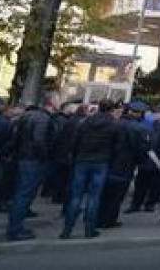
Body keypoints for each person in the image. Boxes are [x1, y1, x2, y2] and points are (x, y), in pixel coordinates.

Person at [60, 99, 121, 239]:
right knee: (94, 197)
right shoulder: (113, 125)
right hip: (101, 162)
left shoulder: (85, 122)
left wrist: (75, 156)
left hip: (82, 160)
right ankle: (89, 229)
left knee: (76, 196)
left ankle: (67, 229)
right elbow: (116, 145)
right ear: (111, 110)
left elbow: (75, 142)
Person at [6, 92, 60, 241]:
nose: (59, 103)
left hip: (24, 158)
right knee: (24, 194)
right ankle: (15, 229)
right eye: (57, 100)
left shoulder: (28, 115)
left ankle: (15, 226)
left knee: (21, 193)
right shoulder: (43, 118)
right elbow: (39, 141)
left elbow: (16, 138)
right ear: (51, 103)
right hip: (33, 160)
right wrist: (43, 158)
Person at [98, 101, 149, 229]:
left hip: (109, 162)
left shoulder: (115, 123)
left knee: (106, 193)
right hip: (126, 164)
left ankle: (100, 218)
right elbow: (142, 149)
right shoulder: (139, 128)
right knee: (118, 194)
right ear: (140, 114)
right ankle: (109, 220)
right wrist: (140, 162)